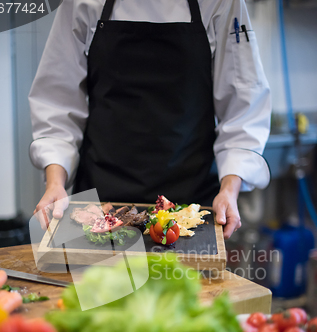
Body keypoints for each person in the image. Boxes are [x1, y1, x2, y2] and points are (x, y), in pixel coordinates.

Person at [30, 0, 271, 239]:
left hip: (191, 204)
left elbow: (243, 105)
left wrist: (229, 190)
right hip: (99, 199)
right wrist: (55, 184)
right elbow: (57, 101)